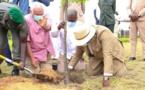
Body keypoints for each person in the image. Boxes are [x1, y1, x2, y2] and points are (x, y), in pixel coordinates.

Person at [24, 2, 55, 77]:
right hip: (33, 53)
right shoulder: (26, 20)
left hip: (45, 52)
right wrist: (32, 58)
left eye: (41, 14)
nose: (39, 16)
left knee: (48, 75)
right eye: (37, 14)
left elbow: (48, 27)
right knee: (34, 76)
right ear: (31, 12)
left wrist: (43, 26)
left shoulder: (46, 16)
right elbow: (27, 41)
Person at [51, 9, 85, 73]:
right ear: (66, 17)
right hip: (64, 53)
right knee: (61, 71)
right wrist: (58, 28)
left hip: (76, 53)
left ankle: (73, 64)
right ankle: (65, 64)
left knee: (80, 69)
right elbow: (53, 35)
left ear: (76, 18)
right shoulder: (60, 24)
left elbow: (84, 41)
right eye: (69, 20)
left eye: (73, 20)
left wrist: (81, 54)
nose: (71, 22)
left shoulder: (81, 26)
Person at [0, 2, 28, 75]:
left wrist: (22, 61)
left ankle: (16, 69)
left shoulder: (22, 22)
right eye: (16, 25)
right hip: (1, 21)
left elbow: (23, 42)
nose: (18, 26)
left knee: (17, 44)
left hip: (11, 23)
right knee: (0, 44)